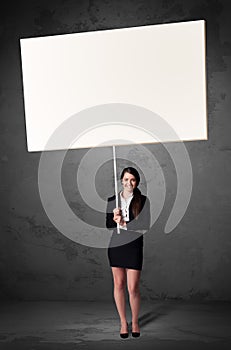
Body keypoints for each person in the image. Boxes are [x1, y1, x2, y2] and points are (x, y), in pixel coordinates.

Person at [106, 167, 150, 339]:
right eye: (126, 180)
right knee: (118, 284)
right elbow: (108, 225)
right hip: (116, 246)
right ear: (121, 181)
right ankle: (124, 322)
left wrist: (123, 223)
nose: (129, 183)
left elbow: (145, 225)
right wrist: (114, 218)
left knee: (133, 288)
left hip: (133, 246)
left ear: (136, 182)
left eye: (132, 180)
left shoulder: (143, 200)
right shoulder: (113, 200)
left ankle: (136, 321)